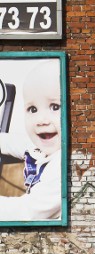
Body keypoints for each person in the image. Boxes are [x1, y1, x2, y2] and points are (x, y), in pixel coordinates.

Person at [0, 60, 63, 221]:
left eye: (55, 107)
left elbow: (28, 212)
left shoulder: (61, 167)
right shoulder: (39, 148)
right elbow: (12, 142)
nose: (41, 120)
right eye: (33, 109)